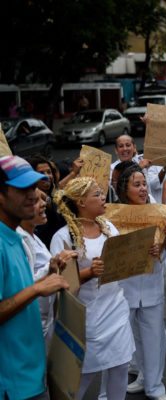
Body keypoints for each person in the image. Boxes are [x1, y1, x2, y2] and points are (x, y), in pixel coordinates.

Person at [51, 177, 137, 400]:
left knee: (120, 367)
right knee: (84, 374)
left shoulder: (108, 227)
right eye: (97, 194)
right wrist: (90, 273)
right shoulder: (63, 237)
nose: (103, 197)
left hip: (115, 309)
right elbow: (59, 283)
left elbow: (122, 261)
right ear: (81, 202)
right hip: (86, 316)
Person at [0, 155, 69, 400]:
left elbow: (17, 292)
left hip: (32, 375)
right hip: (12, 384)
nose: (33, 195)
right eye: (22, 188)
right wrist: (38, 289)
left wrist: (45, 279)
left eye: (33, 186)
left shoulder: (17, 238)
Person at [114, 166, 166, 400]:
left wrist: (165, 240)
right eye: (136, 185)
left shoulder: (160, 213)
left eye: (144, 184)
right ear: (124, 189)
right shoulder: (113, 216)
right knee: (130, 338)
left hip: (151, 285)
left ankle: (155, 386)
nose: (142, 189)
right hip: (124, 287)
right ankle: (140, 376)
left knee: (154, 338)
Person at [18, 188, 77, 348]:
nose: (44, 204)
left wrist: (54, 267)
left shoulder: (33, 236)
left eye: (43, 199)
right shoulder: (18, 240)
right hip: (29, 328)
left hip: (44, 322)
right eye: (35, 201)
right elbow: (21, 288)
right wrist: (51, 269)